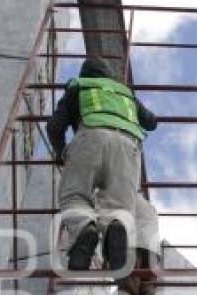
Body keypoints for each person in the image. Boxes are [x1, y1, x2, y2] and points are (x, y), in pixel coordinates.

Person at [46, 58, 157, 271]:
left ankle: (84, 231)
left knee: (75, 195)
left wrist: (61, 153)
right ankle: (116, 229)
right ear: (108, 75)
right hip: (127, 146)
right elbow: (151, 122)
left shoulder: (79, 86)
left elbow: (54, 127)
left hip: (90, 139)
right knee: (119, 204)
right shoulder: (125, 93)